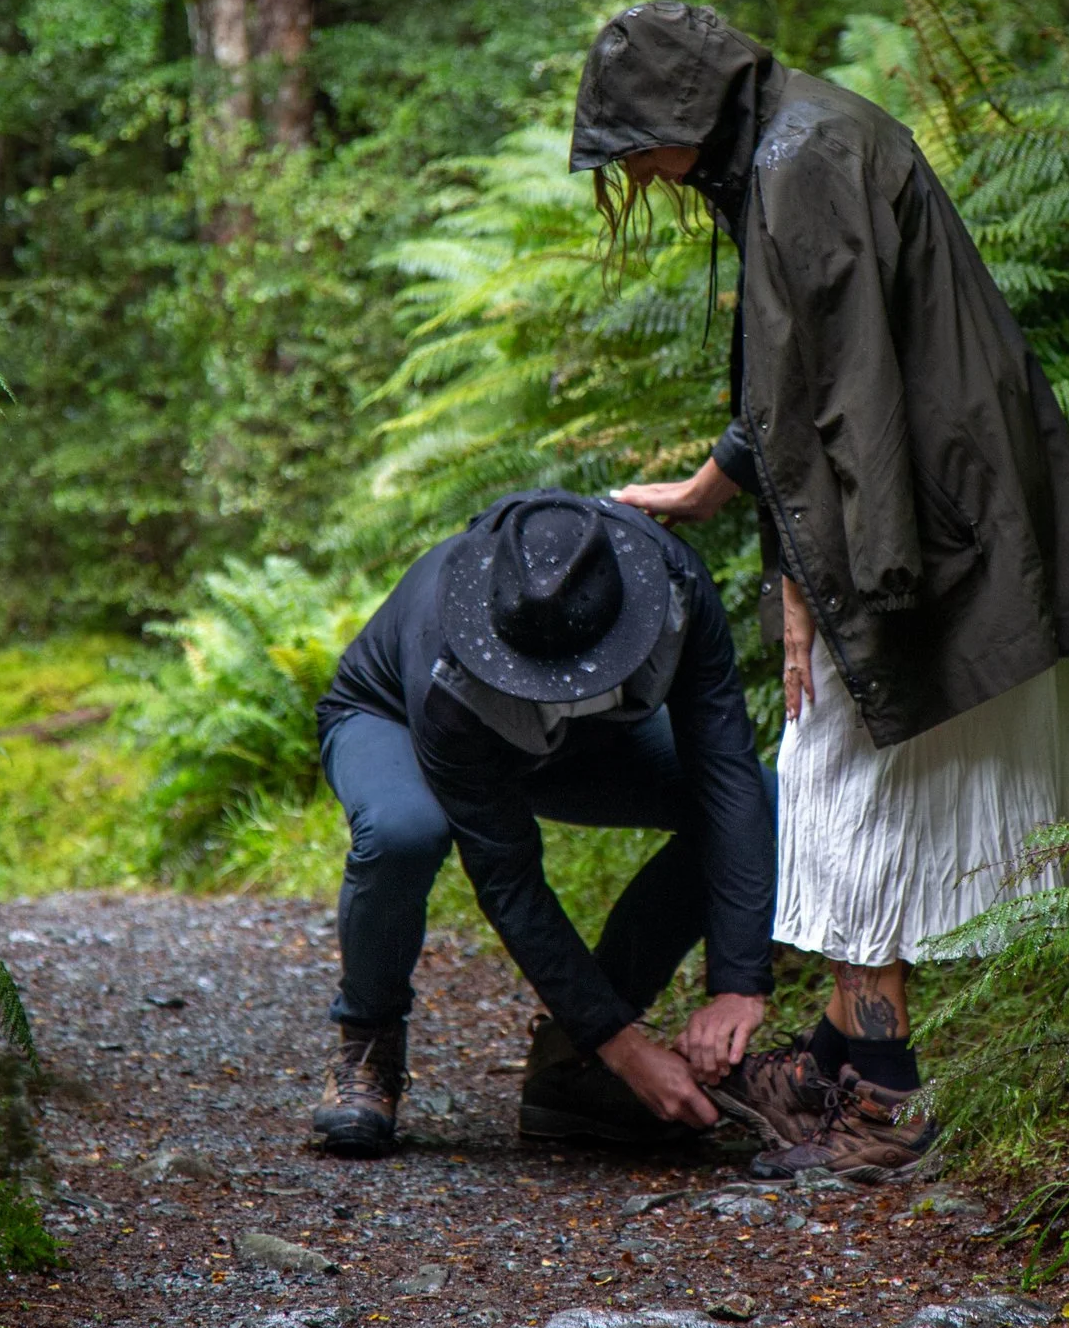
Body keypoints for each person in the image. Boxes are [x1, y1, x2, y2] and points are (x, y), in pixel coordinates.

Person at [576, 2, 1069, 1178]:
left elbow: (856, 397)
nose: (641, 175)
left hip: (911, 522)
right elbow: (801, 371)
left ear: (681, 112)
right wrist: (711, 486)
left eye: (634, 150)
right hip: (931, 504)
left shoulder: (803, 160)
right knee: (854, 777)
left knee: (847, 779)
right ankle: (838, 1055)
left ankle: (880, 1102)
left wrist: (833, 590)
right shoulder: (787, 139)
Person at [309, 487, 776, 1157]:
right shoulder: (448, 679)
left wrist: (738, 980)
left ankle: (568, 1066)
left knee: (767, 803)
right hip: (401, 720)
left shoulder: (671, 581)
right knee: (405, 830)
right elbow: (509, 880)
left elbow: (725, 773)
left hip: (573, 741)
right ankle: (369, 1044)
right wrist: (628, 1048)